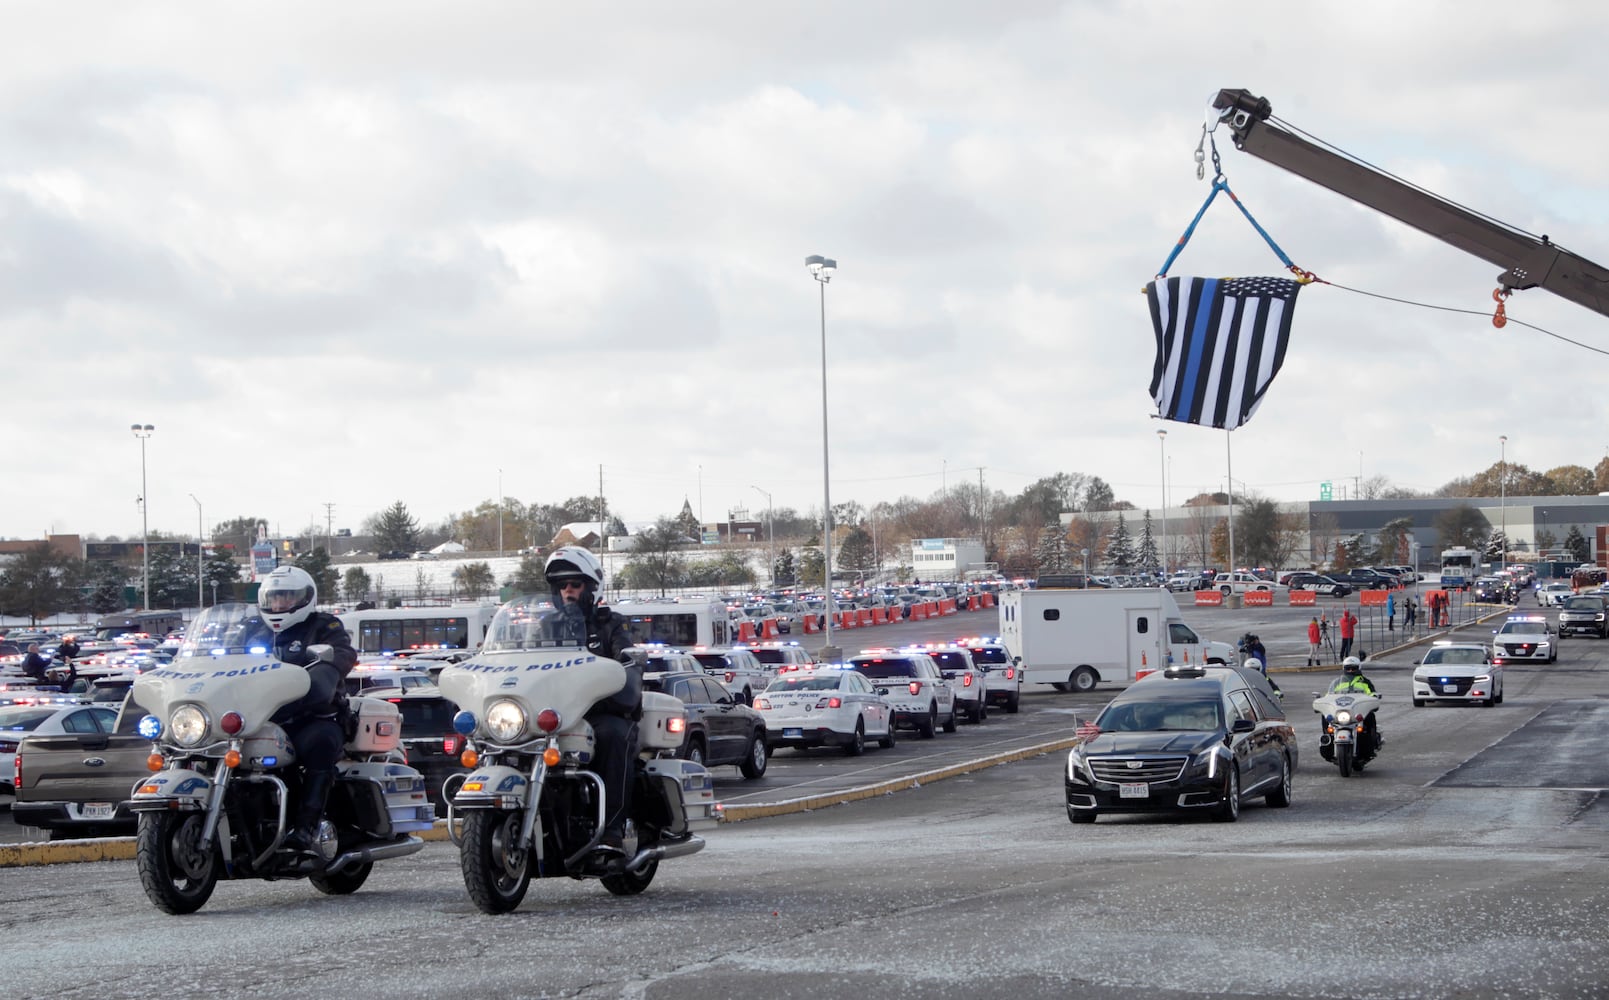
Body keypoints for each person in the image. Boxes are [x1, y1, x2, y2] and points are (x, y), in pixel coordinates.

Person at [258, 565, 357, 862]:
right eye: (274, 598)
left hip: (316, 715)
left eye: (287, 598)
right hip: (262, 716)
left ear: (305, 598)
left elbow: (343, 653)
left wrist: (327, 670)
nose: (279, 605)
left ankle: (305, 827)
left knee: (319, 745)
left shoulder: (325, 626)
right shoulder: (252, 630)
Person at [544, 545, 638, 855]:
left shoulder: (611, 623)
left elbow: (625, 662)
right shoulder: (545, 627)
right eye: (562, 585)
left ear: (590, 588)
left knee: (612, 735)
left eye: (574, 584)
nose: (568, 591)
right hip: (556, 714)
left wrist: (624, 662)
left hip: (602, 710)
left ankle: (611, 829)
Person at [1328, 655, 1381, 753]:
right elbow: (1329, 696)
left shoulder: (1365, 682)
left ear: (1359, 668)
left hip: (1358, 711)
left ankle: (1372, 740)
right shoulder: (1336, 682)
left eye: (1354, 668)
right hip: (1342, 710)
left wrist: (1374, 697)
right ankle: (1328, 738)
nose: (1351, 671)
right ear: (1344, 668)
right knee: (1326, 717)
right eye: (1348, 668)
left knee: (1370, 716)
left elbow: (1372, 693)